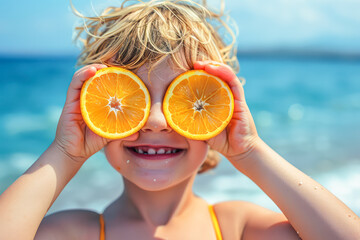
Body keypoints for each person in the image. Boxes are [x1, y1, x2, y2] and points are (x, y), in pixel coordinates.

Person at [0, 0, 359, 239]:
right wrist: (66, 152)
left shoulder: (238, 227)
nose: (156, 120)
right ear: (96, 112)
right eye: (130, 98)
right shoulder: (75, 233)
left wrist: (250, 151)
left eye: (185, 98)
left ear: (218, 110)